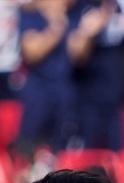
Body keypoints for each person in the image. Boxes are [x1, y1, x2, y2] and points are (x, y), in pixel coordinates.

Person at [17, 0, 75, 153]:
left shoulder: (74, 15)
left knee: (62, 149)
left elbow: (79, 55)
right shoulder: (32, 16)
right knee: (28, 148)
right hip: (38, 92)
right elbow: (32, 53)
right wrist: (56, 28)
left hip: (65, 91)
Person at [69, 0, 124, 149]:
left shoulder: (117, 7)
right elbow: (76, 55)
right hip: (88, 95)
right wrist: (88, 33)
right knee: (88, 153)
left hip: (114, 93)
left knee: (115, 153)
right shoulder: (82, 7)